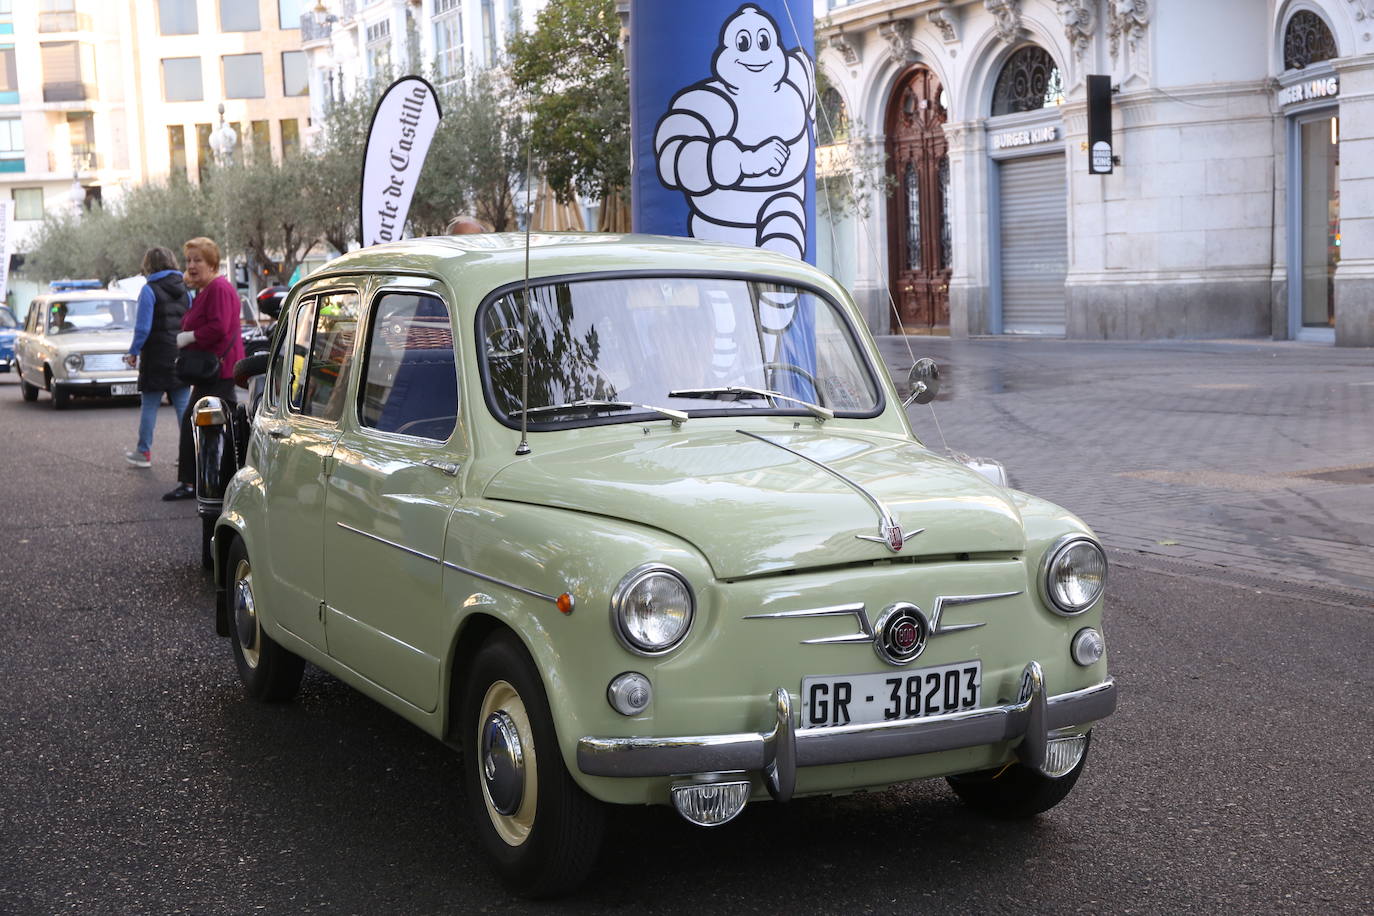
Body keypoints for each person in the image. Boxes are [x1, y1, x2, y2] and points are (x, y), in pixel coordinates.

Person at [163, 237, 244, 501]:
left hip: (217, 369)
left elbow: (219, 327)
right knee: (220, 426)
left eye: (198, 260)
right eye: (189, 260)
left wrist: (191, 337)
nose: (192, 265)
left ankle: (191, 482)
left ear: (212, 264)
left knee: (195, 424)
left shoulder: (218, 288)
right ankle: (213, 480)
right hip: (215, 369)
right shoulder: (209, 288)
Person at [123, 247, 192, 468]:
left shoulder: (148, 290)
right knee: (183, 406)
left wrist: (133, 352)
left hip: (155, 356)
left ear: (148, 264)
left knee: (150, 405)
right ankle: (189, 454)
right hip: (180, 353)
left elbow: (143, 328)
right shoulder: (185, 289)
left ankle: (143, 452)